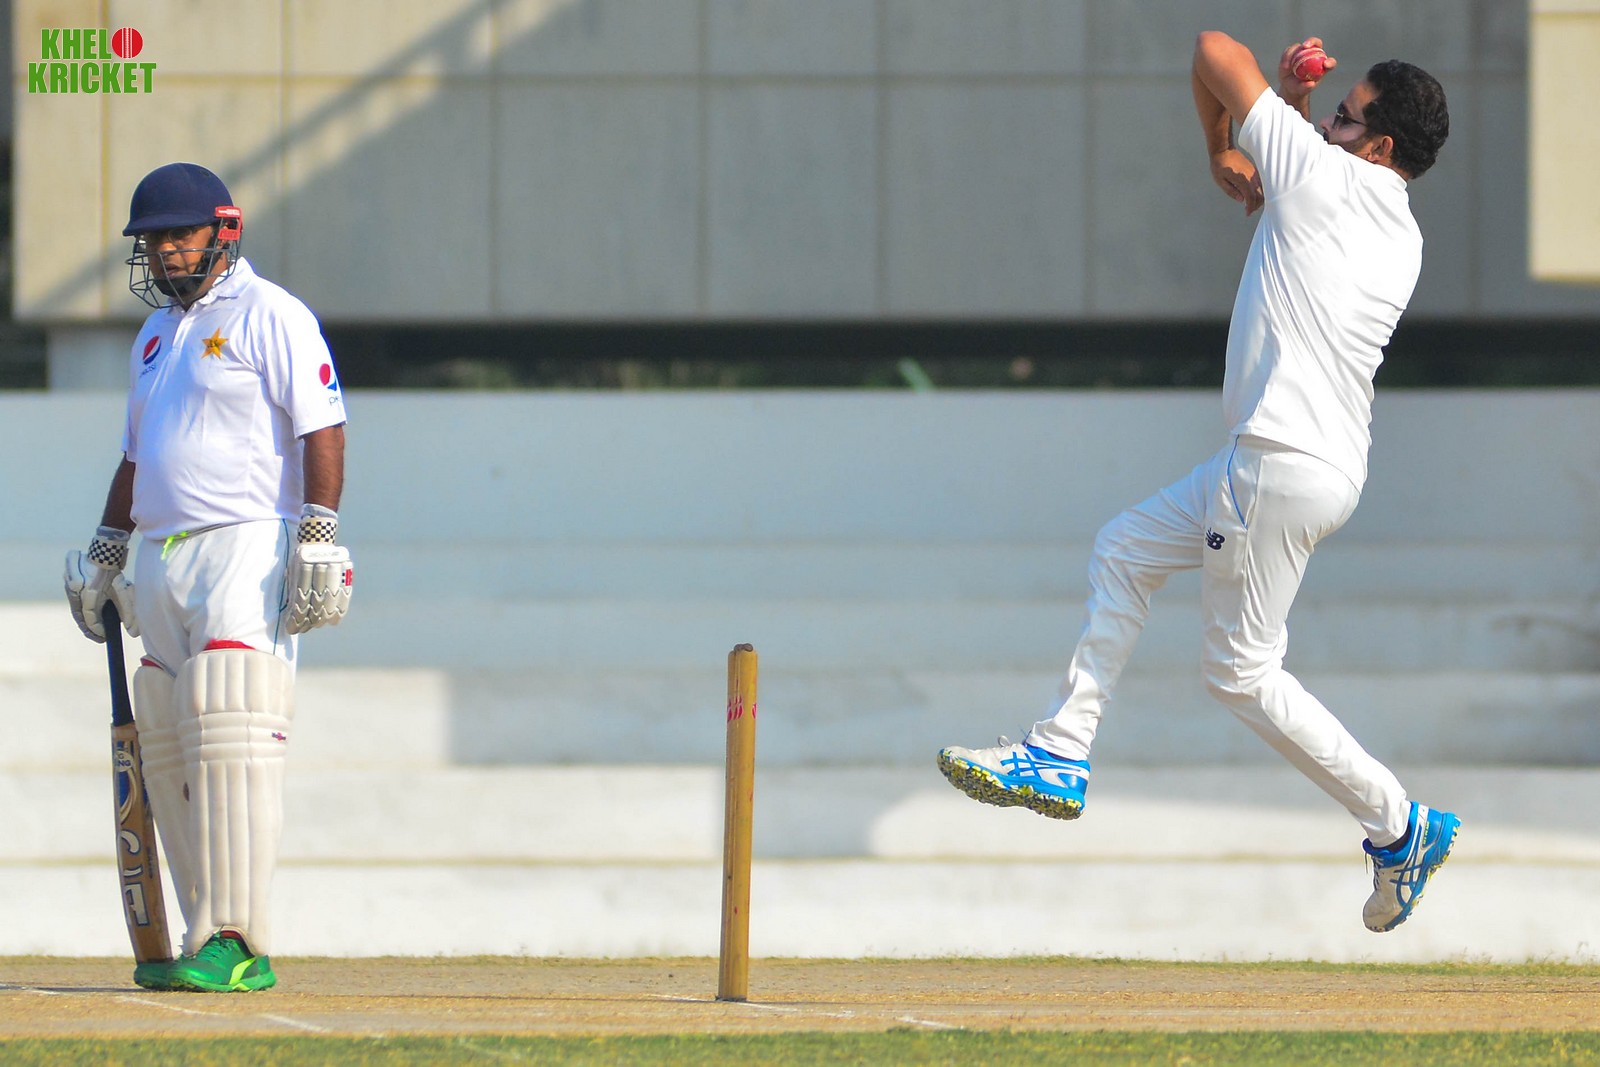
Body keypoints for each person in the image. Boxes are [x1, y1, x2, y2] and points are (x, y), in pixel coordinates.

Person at [938, 33, 1457, 933]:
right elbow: (1300, 216)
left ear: (1377, 147)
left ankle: (1400, 825)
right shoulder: (1397, 227)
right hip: (1309, 463)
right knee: (1124, 549)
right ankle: (1059, 747)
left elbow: (1213, 48)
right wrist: (1292, 113)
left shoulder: (1318, 175)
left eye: (1346, 115)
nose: (1328, 122)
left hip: (1275, 460)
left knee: (1241, 674)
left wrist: (1222, 146)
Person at [64, 162, 354, 991]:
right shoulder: (155, 337)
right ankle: (200, 933)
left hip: (246, 540)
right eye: (152, 239)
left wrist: (319, 532)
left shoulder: (273, 314)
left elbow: (324, 426)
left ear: (224, 231)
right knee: (164, 724)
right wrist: (108, 549)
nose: (162, 251)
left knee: (230, 718)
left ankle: (240, 938)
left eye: (177, 235)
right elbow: (136, 457)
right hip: (160, 550)